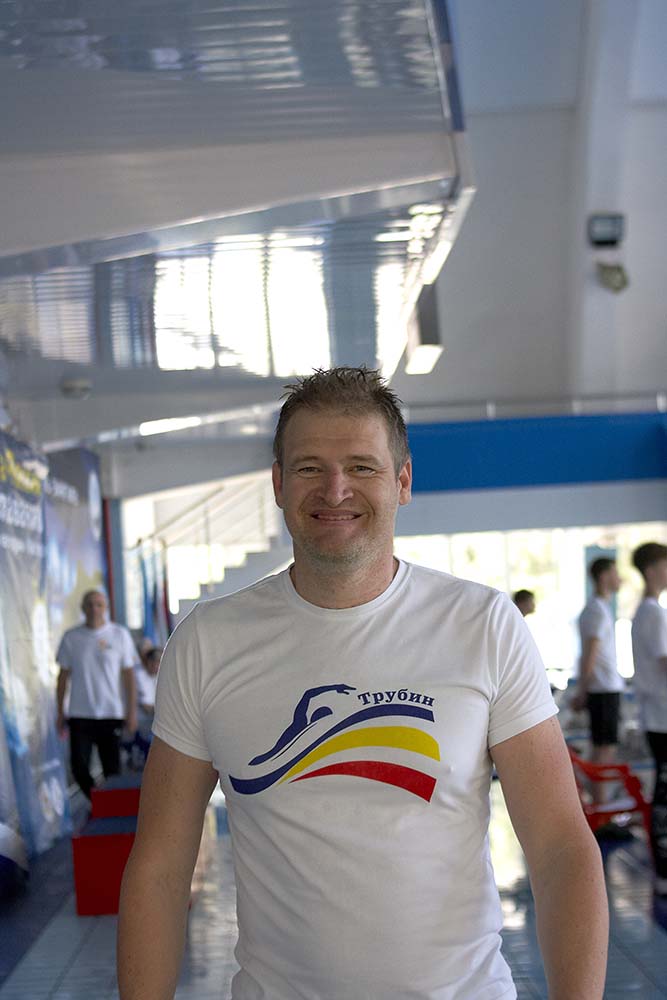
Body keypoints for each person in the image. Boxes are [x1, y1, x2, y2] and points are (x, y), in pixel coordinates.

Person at [118, 367, 607, 1000]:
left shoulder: (482, 625)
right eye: (309, 467)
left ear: (403, 481)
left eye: (362, 467)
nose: (335, 489)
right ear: (278, 483)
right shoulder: (207, 643)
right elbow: (160, 867)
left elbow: (560, 847)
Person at [56, 590, 137, 799]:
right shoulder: (71, 637)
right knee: (79, 767)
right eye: (90, 604)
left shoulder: (119, 635)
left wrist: (131, 712)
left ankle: (110, 808)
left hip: (111, 713)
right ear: (83, 608)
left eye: (99, 604)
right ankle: (97, 802)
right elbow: (62, 678)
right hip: (80, 714)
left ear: (106, 608)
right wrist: (60, 712)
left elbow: (129, 677)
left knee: (112, 770)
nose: (94, 609)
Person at [631, 542, 667, 896]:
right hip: (661, 717)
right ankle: (663, 871)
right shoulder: (653, 613)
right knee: (664, 796)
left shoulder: (646, 611)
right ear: (653, 569)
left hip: (657, 715)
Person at [572, 558, 623, 773]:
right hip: (603, 688)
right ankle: (599, 793)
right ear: (603, 577)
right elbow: (590, 654)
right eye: (615, 573)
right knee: (604, 748)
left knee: (603, 747)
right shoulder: (596, 610)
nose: (620, 578)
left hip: (605, 687)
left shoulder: (600, 608)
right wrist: (582, 691)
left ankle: (597, 792)